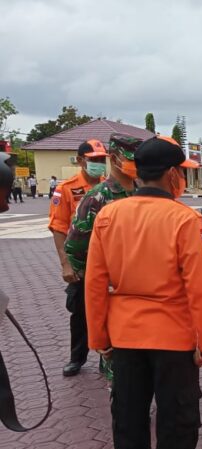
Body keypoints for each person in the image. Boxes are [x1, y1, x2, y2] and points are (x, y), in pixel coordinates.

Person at [84, 135, 202, 449]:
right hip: (173, 337)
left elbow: (94, 283)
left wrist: (99, 339)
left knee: (127, 415)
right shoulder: (183, 219)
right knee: (177, 417)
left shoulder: (109, 216)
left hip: (124, 336)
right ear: (174, 174)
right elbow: (199, 288)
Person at [65, 134, 142, 378]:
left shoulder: (144, 193)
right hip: (111, 292)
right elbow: (75, 245)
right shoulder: (97, 197)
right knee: (117, 363)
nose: (136, 166)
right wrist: (98, 276)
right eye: (131, 160)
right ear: (116, 159)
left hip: (142, 289)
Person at [50, 139, 107, 376]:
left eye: (101, 160)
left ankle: (107, 357)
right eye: (93, 160)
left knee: (109, 310)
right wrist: (66, 264)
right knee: (80, 312)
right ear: (81, 160)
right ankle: (77, 357)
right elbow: (58, 227)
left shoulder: (110, 188)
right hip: (81, 263)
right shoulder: (66, 188)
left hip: (107, 262)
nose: (98, 164)